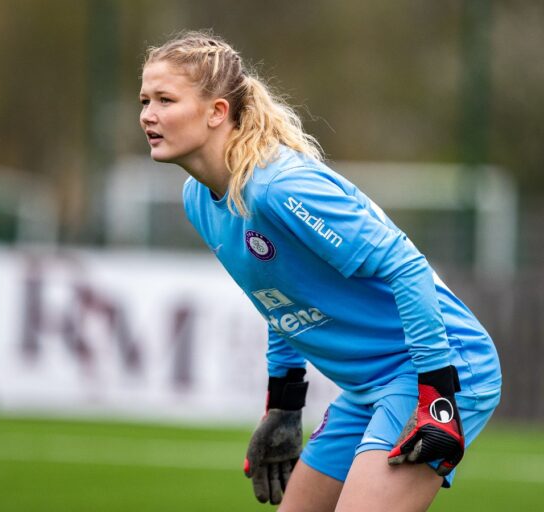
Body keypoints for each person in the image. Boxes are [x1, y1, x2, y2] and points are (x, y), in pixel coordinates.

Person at [139, 30, 502, 512]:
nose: (148, 115)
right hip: (368, 387)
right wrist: (284, 403)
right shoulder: (199, 199)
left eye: (165, 100)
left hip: (440, 368)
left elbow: (408, 267)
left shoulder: (278, 187)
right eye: (145, 100)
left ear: (217, 112)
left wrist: (436, 393)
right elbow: (280, 294)